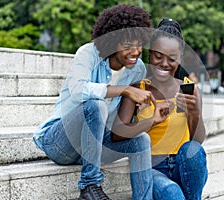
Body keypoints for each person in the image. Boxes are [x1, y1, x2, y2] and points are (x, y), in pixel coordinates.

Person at [33, 4, 154, 200]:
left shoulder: (137, 68)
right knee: (95, 104)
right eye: (128, 46)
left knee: (142, 141)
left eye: (139, 44)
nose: (136, 51)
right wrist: (124, 89)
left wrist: (141, 110)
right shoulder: (88, 53)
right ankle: (90, 185)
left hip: (94, 146)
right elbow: (78, 91)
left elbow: (120, 125)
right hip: (59, 142)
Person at [111, 18, 208, 200]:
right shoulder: (137, 89)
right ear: (149, 55)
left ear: (179, 60)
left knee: (193, 150)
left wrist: (193, 113)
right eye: (158, 56)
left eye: (171, 58)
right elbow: (117, 134)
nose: (164, 63)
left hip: (183, 167)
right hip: (152, 168)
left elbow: (198, 141)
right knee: (172, 194)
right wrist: (151, 120)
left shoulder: (190, 89)